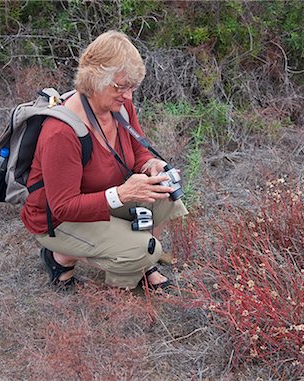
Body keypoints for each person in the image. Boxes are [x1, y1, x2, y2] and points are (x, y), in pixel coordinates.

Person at [20, 30, 188, 290]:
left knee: (165, 195)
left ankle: (144, 263)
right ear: (94, 80)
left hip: (99, 197)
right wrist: (120, 195)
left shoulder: (119, 106)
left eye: (132, 87)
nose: (128, 96)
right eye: (120, 87)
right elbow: (62, 207)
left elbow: (138, 150)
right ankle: (62, 257)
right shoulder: (60, 133)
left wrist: (149, 165)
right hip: (58, 220)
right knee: (141, 249)